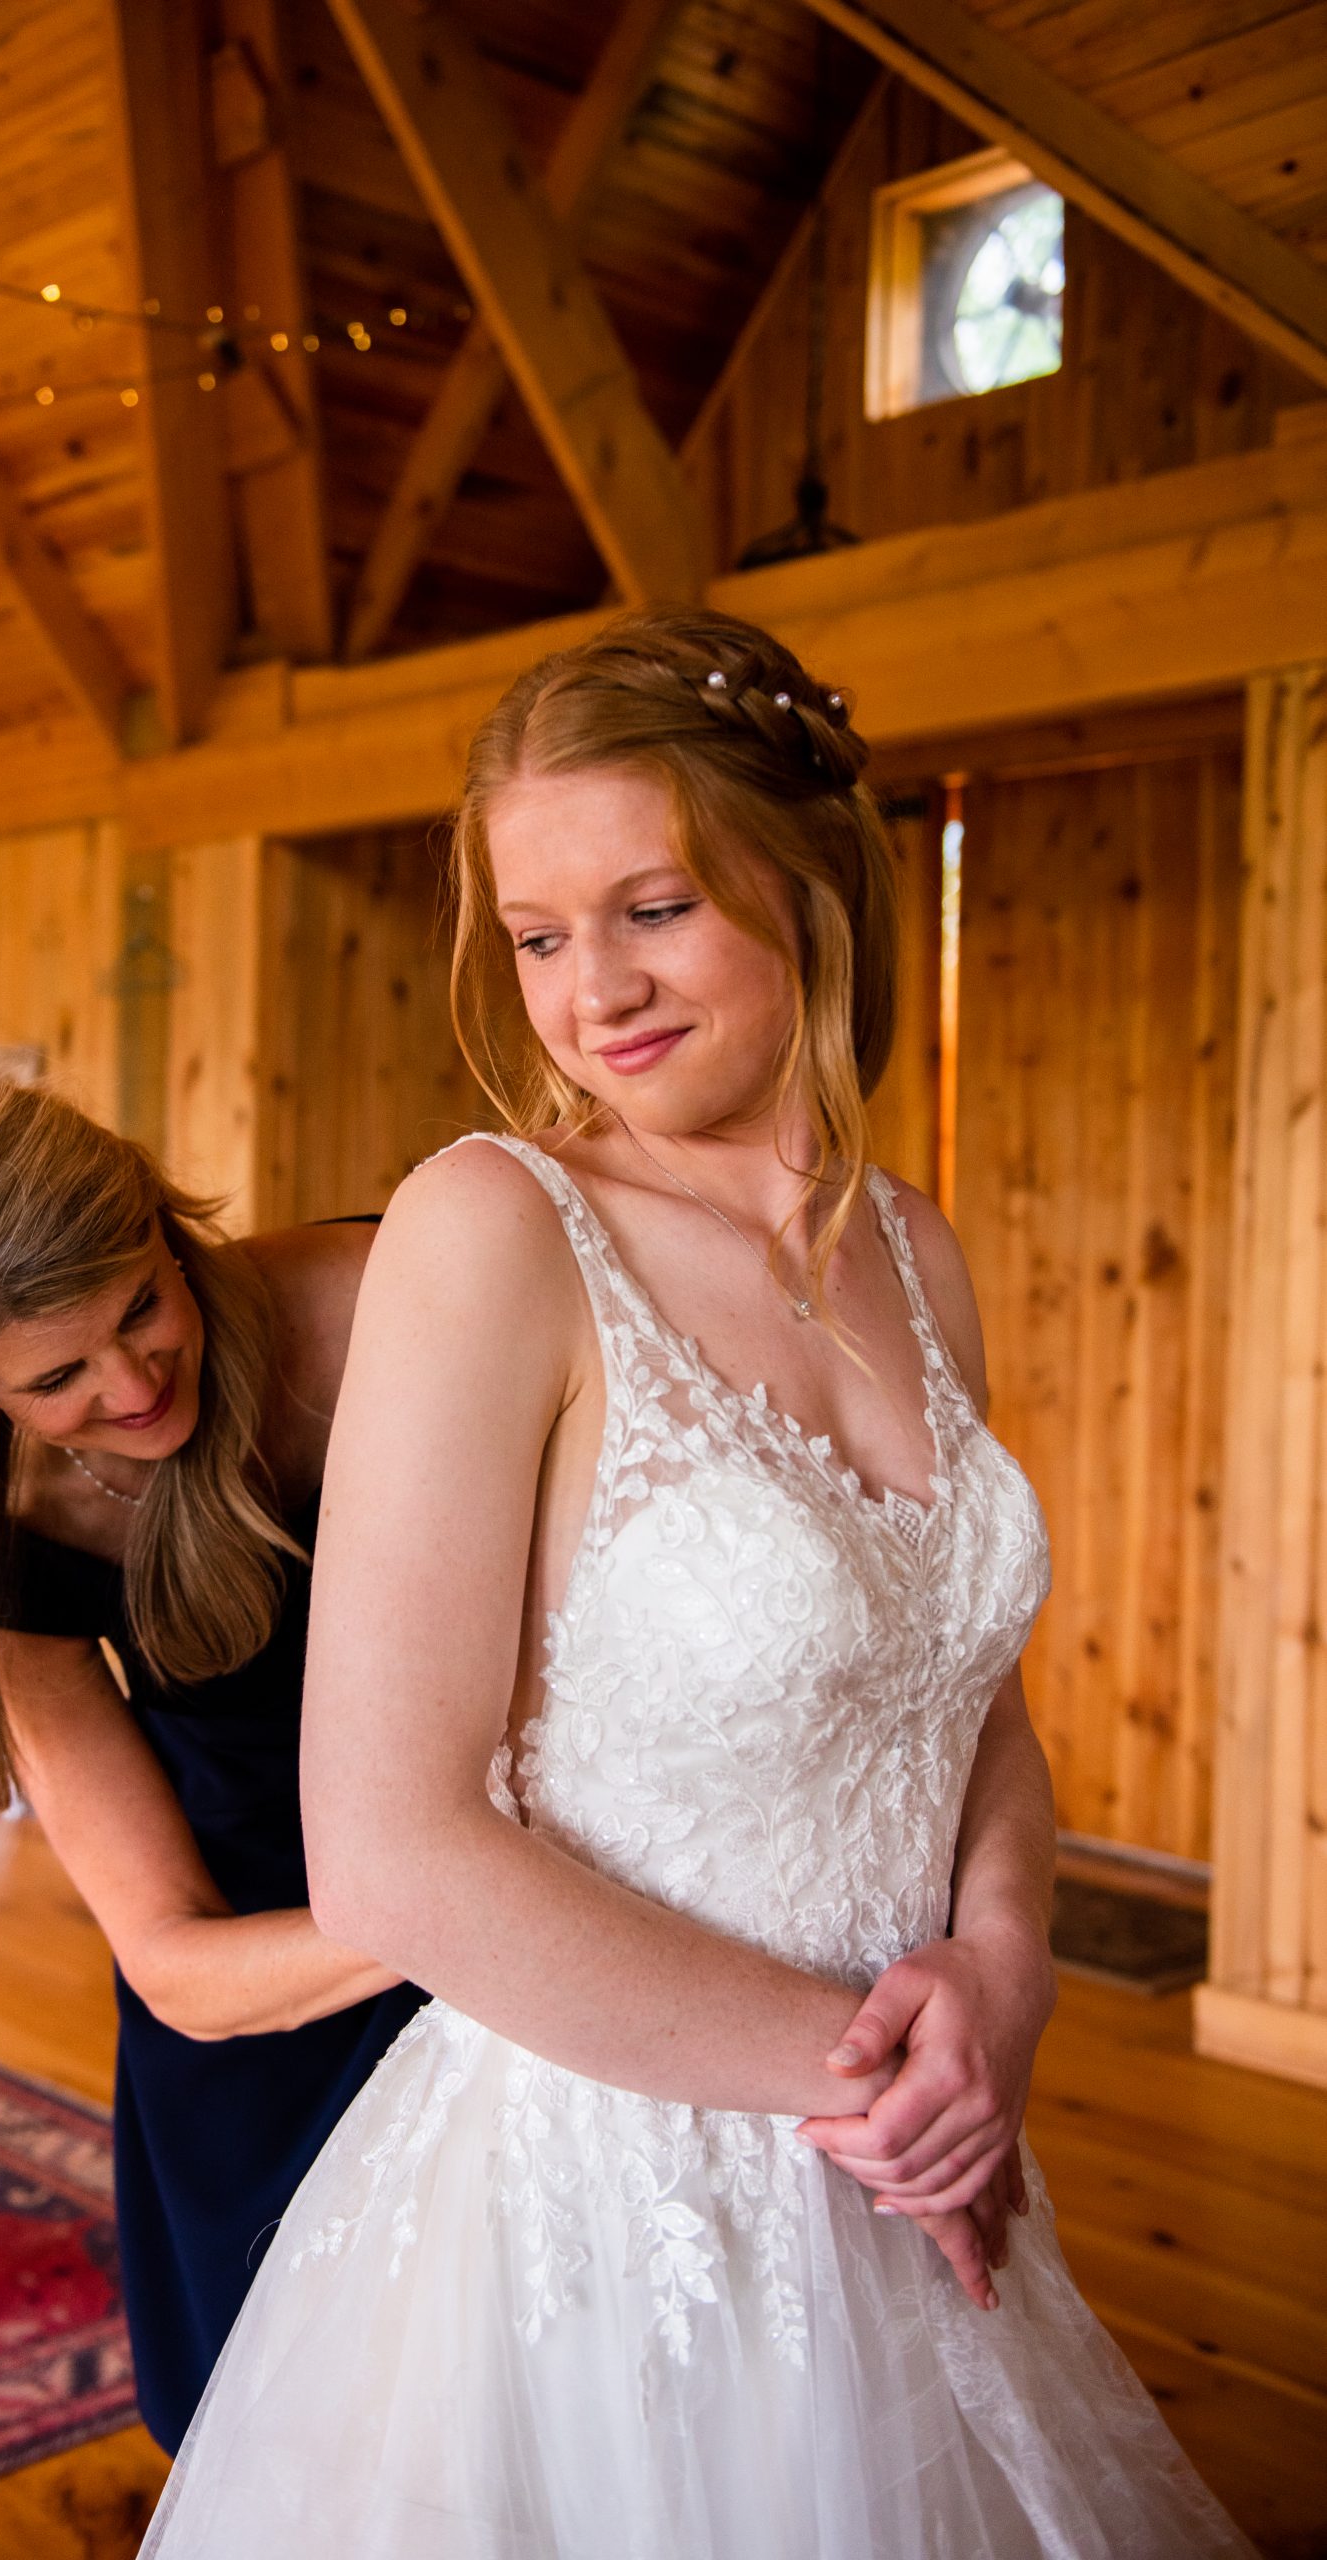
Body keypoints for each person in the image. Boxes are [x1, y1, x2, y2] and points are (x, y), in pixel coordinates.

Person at [138, 611, 1254, 2556]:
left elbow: (967, 1692)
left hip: (922, 2147)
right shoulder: (493, 1228)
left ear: (806, 870)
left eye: (650, 904)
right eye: (542, 932)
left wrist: (1005, 1970)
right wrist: (881, 2091)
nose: (593, 990)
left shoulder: (916, 1247)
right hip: (614, 2176)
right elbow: (397, 1852)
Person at [0, 1080, 426, 2448]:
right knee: (307, 2433)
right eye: (55, 1378)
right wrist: (442, 1917)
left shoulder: (386, 1294)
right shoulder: (3, 1521)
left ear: (158, 1220)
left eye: (140, 1305)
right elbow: (174, 1955)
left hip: (535, 1869)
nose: (132, 1387)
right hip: (274, 1967)